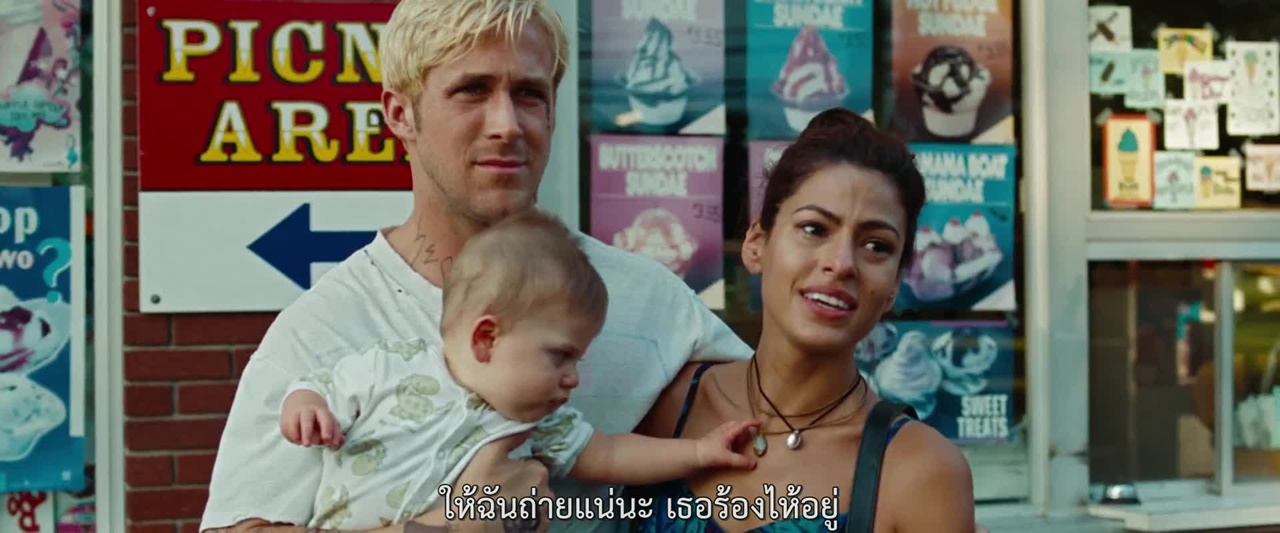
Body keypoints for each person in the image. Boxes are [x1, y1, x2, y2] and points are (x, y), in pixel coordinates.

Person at [197, 1, 754, 531]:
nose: (506, 124)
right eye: (472, 90)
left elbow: (779, 424)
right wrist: (445, 527)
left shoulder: (644, 297)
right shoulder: (323, 332)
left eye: (529, 94)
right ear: (400, 114)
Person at [276, 209, 760, 530]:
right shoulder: (388, 367)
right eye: (560, 356)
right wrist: (306, 406)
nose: (574, 378)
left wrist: (698, 452)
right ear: (486, 339)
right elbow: (317, 386)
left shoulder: (540, 425)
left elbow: (612, 454)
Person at [631, 108, 977, 532]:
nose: (842, 263)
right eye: (814, 229)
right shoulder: (664, 404)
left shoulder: (920, 471)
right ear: (757, 243)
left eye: (876, 245)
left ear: (893, 287)